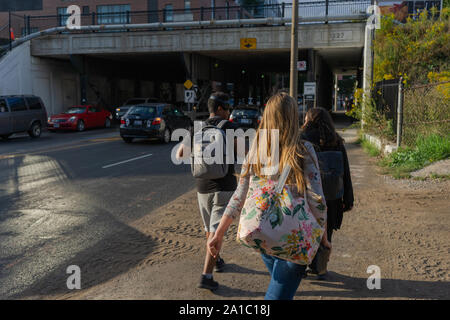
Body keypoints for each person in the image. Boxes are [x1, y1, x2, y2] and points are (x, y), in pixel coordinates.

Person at [207, 92, 328, 300]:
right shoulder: (303, 150)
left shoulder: (256, 149)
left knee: (279, 290)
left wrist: (219, 233)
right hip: (296, 239)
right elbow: (317, 198)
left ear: (267, 117)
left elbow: (240, 194)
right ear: (292, 117)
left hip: (264, 232)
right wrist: (323, 237)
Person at [177, 92, 238, 291]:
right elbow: (247, 152)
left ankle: (217, 260)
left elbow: (180, 154)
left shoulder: (197, 128)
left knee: (209, 229)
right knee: (216, 233)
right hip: (225, 187)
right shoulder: (229, 127)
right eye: (227, 107)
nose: (229, 111)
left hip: (202, 187)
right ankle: (206, 276)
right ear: (220, 109)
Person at [301, 107, 354, 280]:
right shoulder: (336, 140)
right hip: (332, 197)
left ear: (308, 120)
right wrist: (348, 198)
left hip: (307, 195)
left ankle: (301, 267)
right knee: (326, 232)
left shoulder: (302, 139)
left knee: (303, 231)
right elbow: (345, 171)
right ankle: (320, 267)